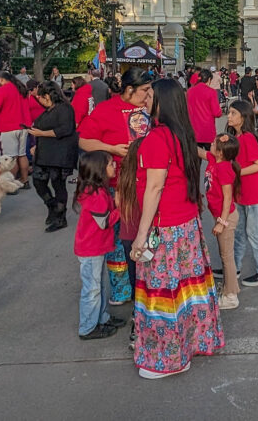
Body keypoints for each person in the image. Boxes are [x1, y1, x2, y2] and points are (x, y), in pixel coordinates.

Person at [125, 79, 224, 378]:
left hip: (165, 228)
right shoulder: (181, 134)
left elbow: (153, 189)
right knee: (186, 288)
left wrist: (140, 236)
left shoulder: (157, 138)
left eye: (150, 94)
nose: (144, 98)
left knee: (162, 292)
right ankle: (192, 342)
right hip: (186, 224)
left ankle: (169, 358)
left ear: (163, 101)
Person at [78, 68, 153, 307]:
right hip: (115, 185)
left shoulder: (150, 108)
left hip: (147, 182)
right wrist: (112, 149)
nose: (148, 94)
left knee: (146, 236)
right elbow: (84, 141)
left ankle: (148, 284)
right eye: (144, 90)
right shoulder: (105, 109)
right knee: (117, 242)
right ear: (129, 90)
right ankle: (122, 290)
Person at [73, 150, 126, 340]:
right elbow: (104, 221)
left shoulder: (98, 190)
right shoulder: (95, 195)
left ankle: (101, 318)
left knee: (99, 286)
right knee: (92, 289)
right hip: (91, 249)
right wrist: (120, 208)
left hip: (97, 247)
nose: (115, 166)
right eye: (111, 164)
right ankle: (87, 327)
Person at [225, 100, 258, 287]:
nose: (229, 116)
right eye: (229, 113)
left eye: (233, 113)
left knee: (254, 233)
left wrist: (235, 172)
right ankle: (233, 268)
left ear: (243, 117)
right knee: (239, 232)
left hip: (254, 193)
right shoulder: (235, 137)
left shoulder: (247, 138)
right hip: (242, 192)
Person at [28, 81, 78, 232]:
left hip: (60, 154)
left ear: (47, 96)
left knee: (58, 184)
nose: (38, 100)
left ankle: (60, 216)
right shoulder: (48, 110)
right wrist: (38, 142)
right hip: (44, 152)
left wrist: (41, 134)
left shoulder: (65, 109)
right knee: (38, 182)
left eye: (40, 98)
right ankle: (52, 205)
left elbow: (65, 129)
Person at [205, 134, 242, 310]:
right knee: (224, 254)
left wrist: (221, 222)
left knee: (227, 257)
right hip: (220, 216)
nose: (210, 144)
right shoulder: (215, 160)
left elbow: (228, 199)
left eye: (214, 143)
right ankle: (230, 288)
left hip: (226, 218)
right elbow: (198, 151)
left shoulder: (224, 169)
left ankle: (231, 295)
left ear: (220, 152)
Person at [0, 71, 31, 187]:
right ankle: (24, 179)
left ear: (0, 79)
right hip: (23, 126)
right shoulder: (21, 88)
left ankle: (11, 183)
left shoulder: (2, 90)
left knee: (9, 158)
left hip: (7, 128)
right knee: (22, 155)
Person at [186, 68, 221, 150]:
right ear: (209, 79)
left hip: (194, 129)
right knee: (212, 157)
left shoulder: (190, 91)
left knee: (196, 159)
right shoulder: (211, 92)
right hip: (207, 129)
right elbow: (216, 112)